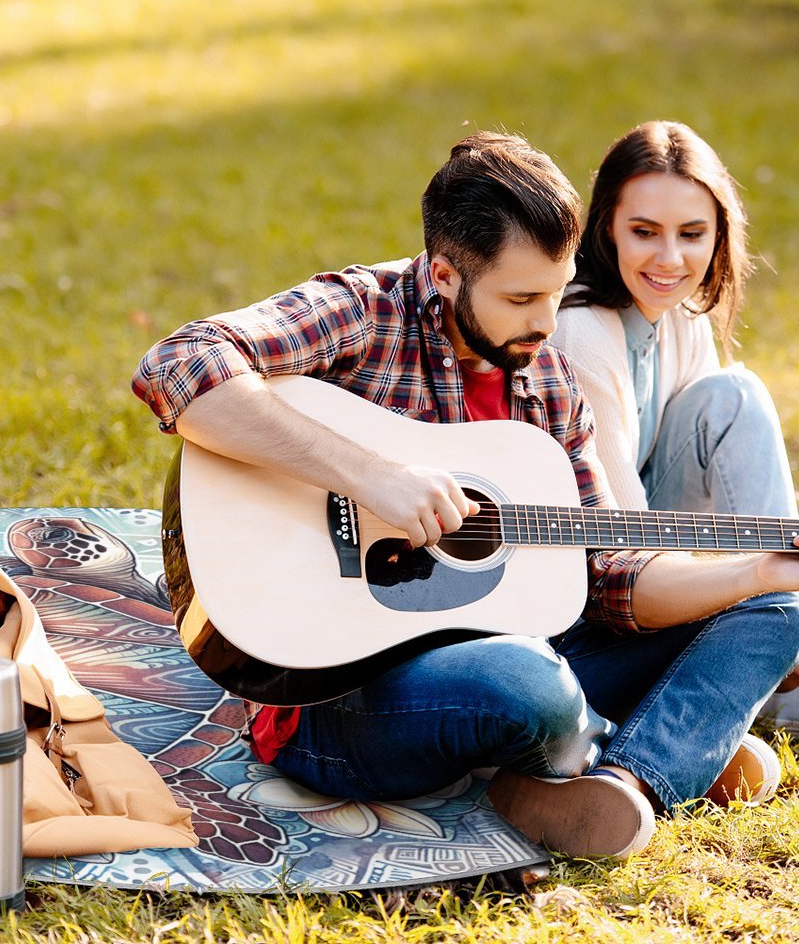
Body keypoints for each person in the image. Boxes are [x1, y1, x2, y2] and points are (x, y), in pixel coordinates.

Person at [132, 131, 799, 860]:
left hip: (526, 653)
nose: (547, 324)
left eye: (556, 290)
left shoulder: (547, 379)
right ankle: (656, 739)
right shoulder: (363, 311)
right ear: (445, 274)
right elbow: (179, 363)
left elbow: (608, 573)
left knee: (779, 608)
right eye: (521, 298)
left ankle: (629, 780)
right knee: (527, 685)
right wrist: (368, 475)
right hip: (337, 698)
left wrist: (755, 572)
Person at [552, 120, 799, 731]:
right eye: (644, 232)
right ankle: (777, 671)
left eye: (692, 234)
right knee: (736, 394)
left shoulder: (680, 313)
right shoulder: (582, 330)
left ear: (719, 235)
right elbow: (622, 546)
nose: (670, 259)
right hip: (592, 591)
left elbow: (719, 494)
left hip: (656, 557)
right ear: (606, 225)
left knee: (730, 395)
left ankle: (778, 639)